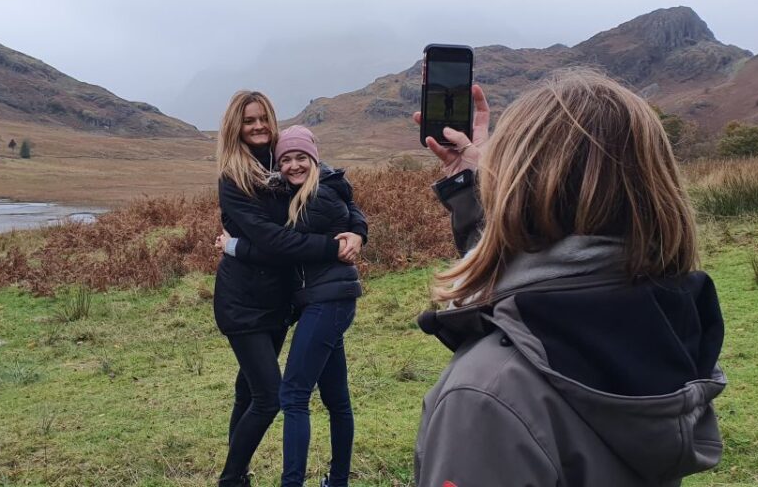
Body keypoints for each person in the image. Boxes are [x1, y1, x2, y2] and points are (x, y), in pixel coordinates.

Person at [413, 69, 726, 486]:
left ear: (517, 192)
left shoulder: (487, 394)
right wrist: (477, 190)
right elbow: (557, 274)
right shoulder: (663, 329)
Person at [214, 92, 364, 487]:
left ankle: (239, 476)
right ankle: (231, 479)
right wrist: (333, 246)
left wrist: (357, 232)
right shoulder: (233, 179)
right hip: (243, 301)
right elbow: (274, 241)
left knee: (248, 393)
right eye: (249, 121)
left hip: (281, 301)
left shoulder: (285, 158)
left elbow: (336, 188)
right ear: (235, 127)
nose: (258, 126)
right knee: (268, 396)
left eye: (263, 118)